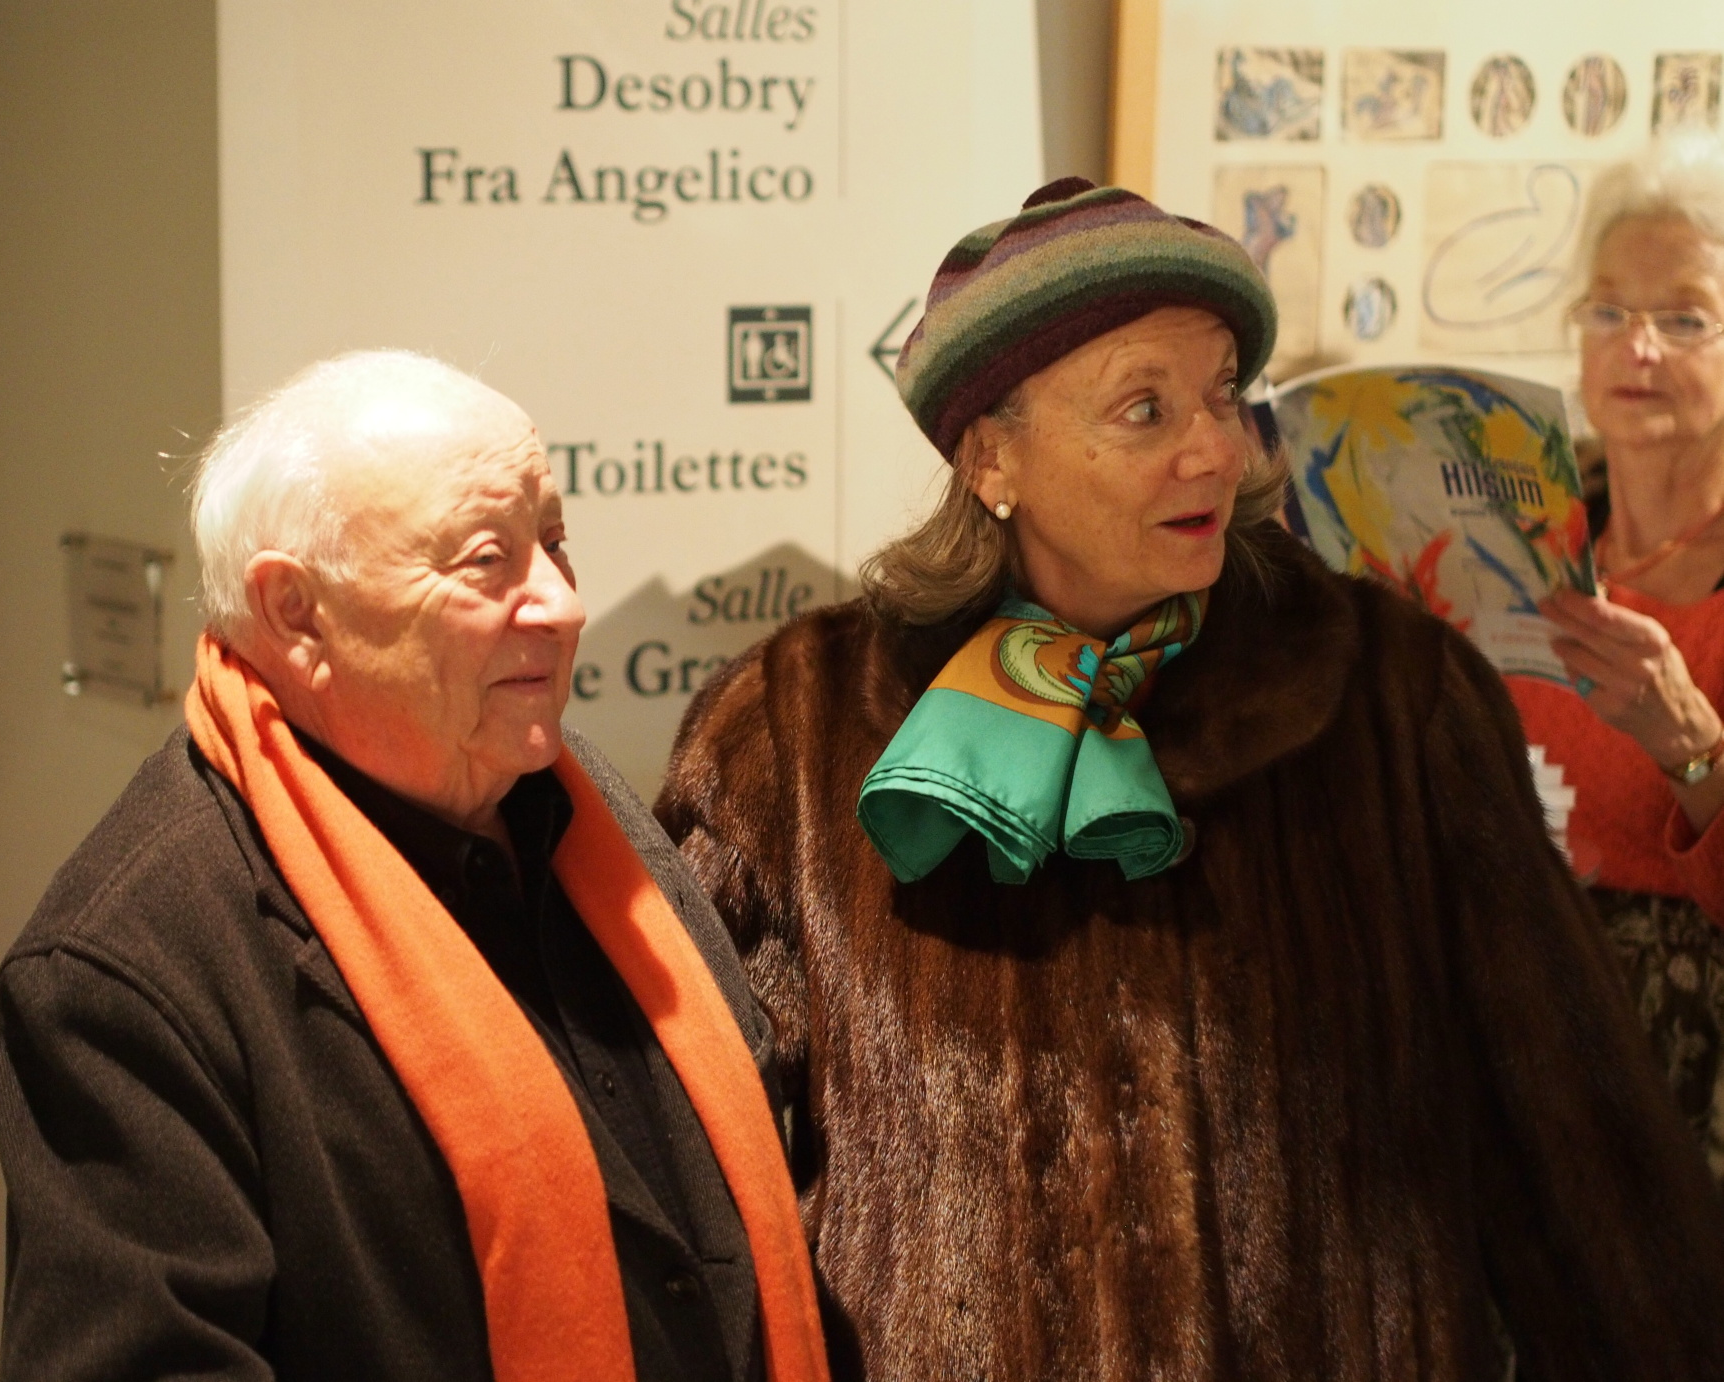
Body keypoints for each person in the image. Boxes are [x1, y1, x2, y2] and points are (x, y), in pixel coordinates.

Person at [656, 179, 1724, 1380]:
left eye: (1221, 393)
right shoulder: (795, 739)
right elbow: (692, 1174)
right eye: (1145, 407)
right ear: (992, 455)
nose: (1215, 446)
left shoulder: (1389, 700)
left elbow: (1576, 1153)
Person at [0, 351, 829, 1382]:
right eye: (486, 561)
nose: (563, 606)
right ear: (295, 612)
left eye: (554, 544)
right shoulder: (122, 968)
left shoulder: (578, 803)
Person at [1517, 135, 1724, 1183]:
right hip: (1509, 1038)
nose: (1635, 349)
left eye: (1683, 318)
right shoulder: (1518, 530)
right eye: (1607, 311)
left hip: (1685, 1077)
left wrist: (1691, 746)